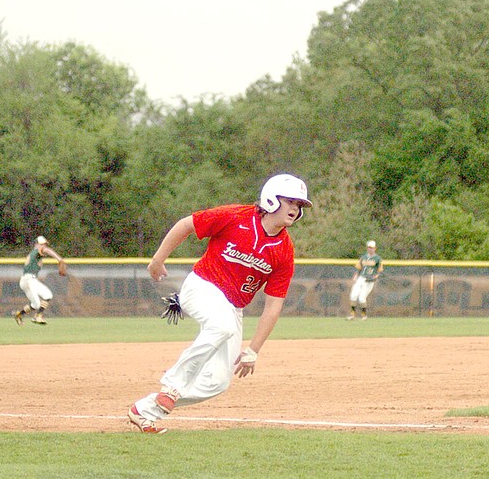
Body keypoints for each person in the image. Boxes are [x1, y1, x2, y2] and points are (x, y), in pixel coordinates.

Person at [128, 172, 312, 434]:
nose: (295, 208)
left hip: (232, 307)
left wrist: (254, 349)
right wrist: (158, 259)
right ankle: (172, 385)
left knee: (217, 382)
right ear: (271, 199)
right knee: (222, 327)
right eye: (291, 201)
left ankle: (145, 410)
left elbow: (274, 305)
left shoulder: (284, 250)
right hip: (202, 286)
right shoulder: (236, 216)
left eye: (300, 205)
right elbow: (186, 224)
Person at [14, 236, 67, 325]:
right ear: (37, 244)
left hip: (26, 280)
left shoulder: (34, 253)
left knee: (38, 303)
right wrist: (59, 259)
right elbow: (47, 250)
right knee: (45, 298)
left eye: (45, 244)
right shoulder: (38, 250)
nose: (44, 246)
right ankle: (38, 316)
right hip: (29, 279)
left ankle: (19, 315)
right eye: (43, 244)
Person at [347, 240, 384, 321]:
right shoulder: (363, 257)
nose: (370, 249)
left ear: (375, 248)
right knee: (353, 295)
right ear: (367, 248)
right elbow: (358, 268)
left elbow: (380, 271)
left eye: (372, 247)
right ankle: (352, 315)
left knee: (361, 298)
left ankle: (364, 315)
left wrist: (375, 277)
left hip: (369, 280)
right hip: (361, 278)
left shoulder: (378, 259)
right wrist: (355, 276)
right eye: (369, 247)